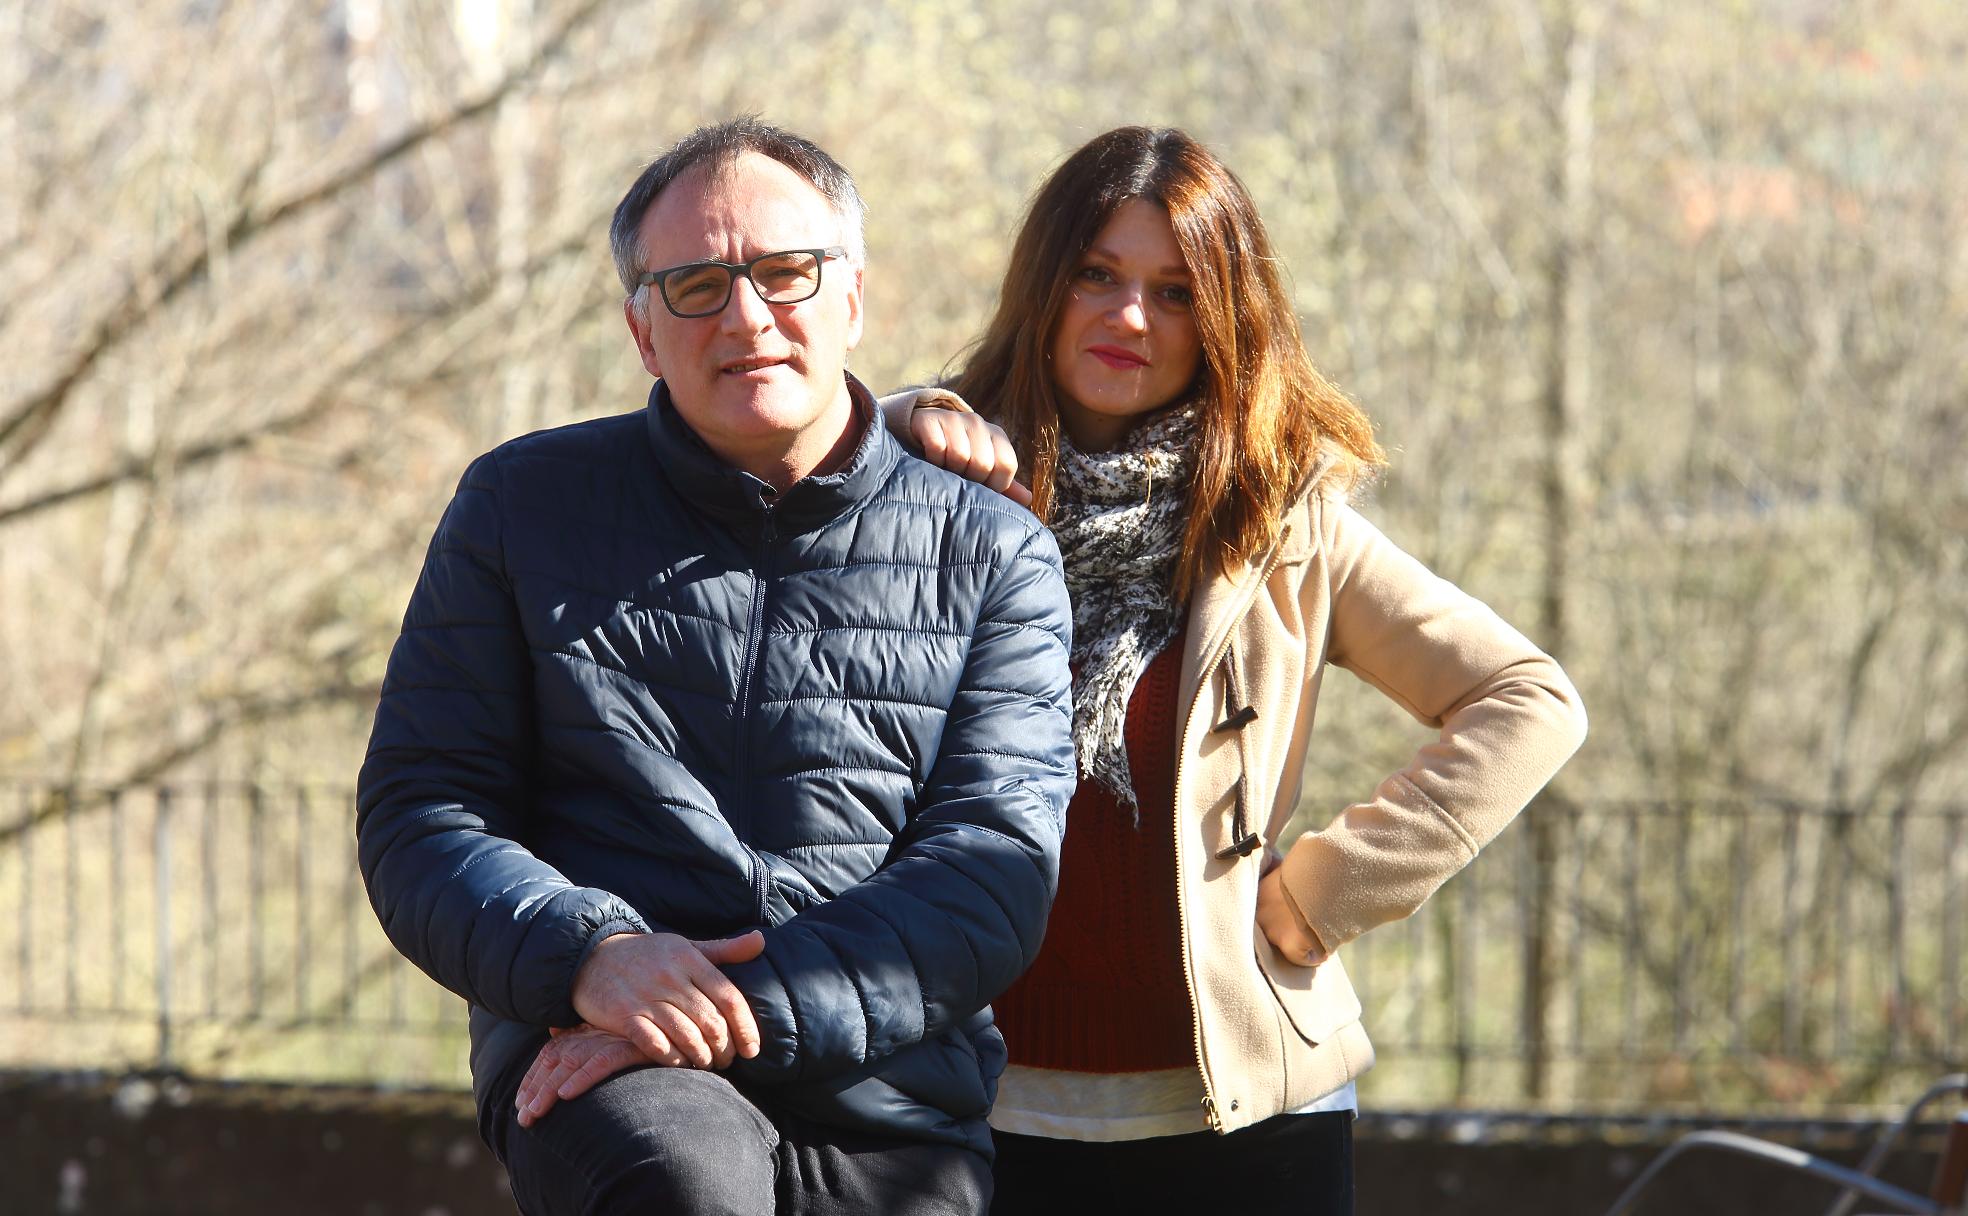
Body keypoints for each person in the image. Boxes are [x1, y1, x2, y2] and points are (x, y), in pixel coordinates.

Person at [354, 117, 1077, 1216]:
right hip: (606, 1057)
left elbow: (993, 869)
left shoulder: (993, 550)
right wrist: (592, 957)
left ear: (854, 296)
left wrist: (724, 1003)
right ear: (643, 330)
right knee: (683, 1187)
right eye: (695, 285)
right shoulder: (519, 509)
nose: (747, 316)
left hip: (892, 1093)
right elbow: (424, 810)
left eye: (785, 273)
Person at [891, 126, 1590, 1212]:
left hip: (1247, 1114)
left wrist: (1328, 892)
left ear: (1222, 318)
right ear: (1044, 283)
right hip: (971, 1107)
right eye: (1098, 275)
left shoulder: (1281, 520)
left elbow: (1529, 700)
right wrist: (883, 429)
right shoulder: (927, 481)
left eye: (1177, 292)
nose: (1132, 317)